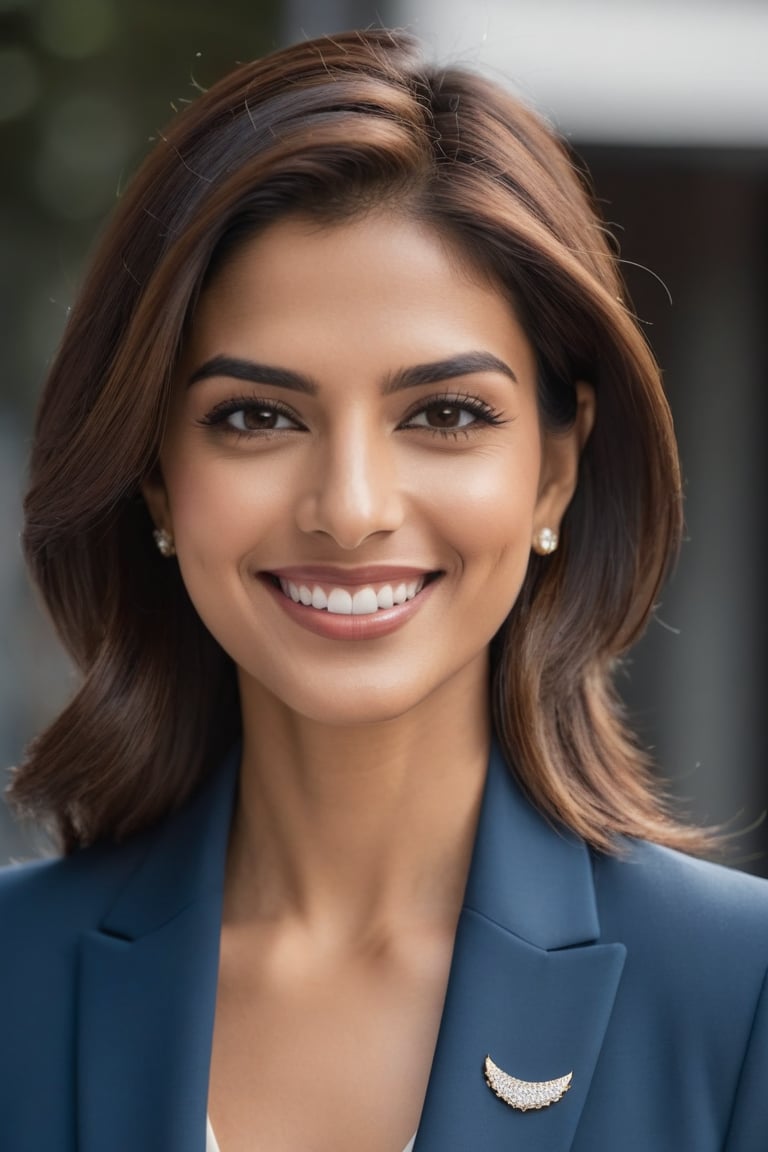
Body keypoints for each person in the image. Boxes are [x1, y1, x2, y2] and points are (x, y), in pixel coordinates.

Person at [1, 27, 766, 1152]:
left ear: (556, 468)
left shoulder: (738, 999)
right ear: (156, 476)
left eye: (444, 415)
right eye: (256, 417)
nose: (350, 507)